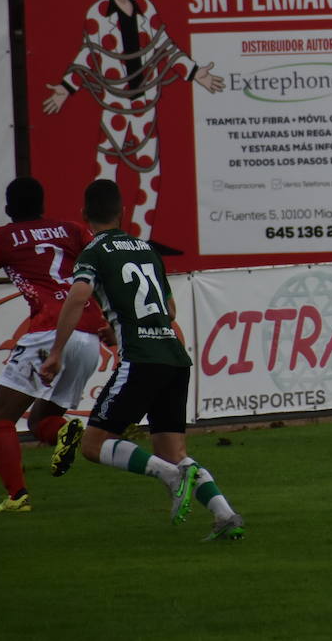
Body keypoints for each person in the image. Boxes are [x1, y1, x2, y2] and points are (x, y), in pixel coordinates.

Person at [40, 179, 245, 540]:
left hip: (141, 359)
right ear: (122, 213)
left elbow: (76, 298)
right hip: (173, 357)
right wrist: (118, 329)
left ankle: (169, 477)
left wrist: (57, 351)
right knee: (172, 449)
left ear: (84, 214)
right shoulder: (147, 250)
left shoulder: (94, 253)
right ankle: (225, 515)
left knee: (93, 444)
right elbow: (168, 308)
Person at [42, 0, 224, 247]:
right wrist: (65, 88)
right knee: (104, 178)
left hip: (144, 106)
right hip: (115, 107)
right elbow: (88, 56)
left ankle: (140, 242)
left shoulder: (146, 10)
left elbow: (165, 47)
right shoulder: (97, 15)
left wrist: (197, 73)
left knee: (149, 177)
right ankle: (100, 243)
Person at [0, 177, 106, 513]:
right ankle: (66, 429)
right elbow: (99, 271)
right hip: (89, 336)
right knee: (40, 422)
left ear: (8, 208)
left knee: (1, 418)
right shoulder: (73, 230)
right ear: (43, 205)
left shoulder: (1, 238)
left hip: (50, 332)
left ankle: (17, 497)